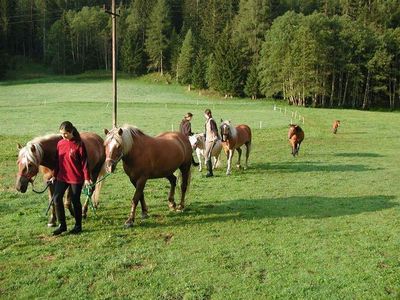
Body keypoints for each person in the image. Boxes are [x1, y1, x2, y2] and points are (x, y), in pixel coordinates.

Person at [51, 121, 91, 235]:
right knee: (56, 198)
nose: (63, 136)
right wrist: (54, 175)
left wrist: (87, 178)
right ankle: (62, 225)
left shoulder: (79, 144)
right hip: (62, 177)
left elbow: (85, 163)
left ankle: (78, 226)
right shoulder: (60, 144)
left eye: (65, 134)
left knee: (75, 201)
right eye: (61, 134)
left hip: (76, 178)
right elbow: (58, 162)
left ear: (71, 131)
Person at [204, 109, 219, 177]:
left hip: (212, 140)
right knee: (206, 154)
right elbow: (207, 130)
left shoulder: (211, 121)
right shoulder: (207, 121)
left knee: (207, 154)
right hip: (207, 139)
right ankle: (209, 171)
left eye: (206, 114)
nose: (205, 116)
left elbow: (215, 129)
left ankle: (210, 172)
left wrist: (216, 136)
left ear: (209, 114)